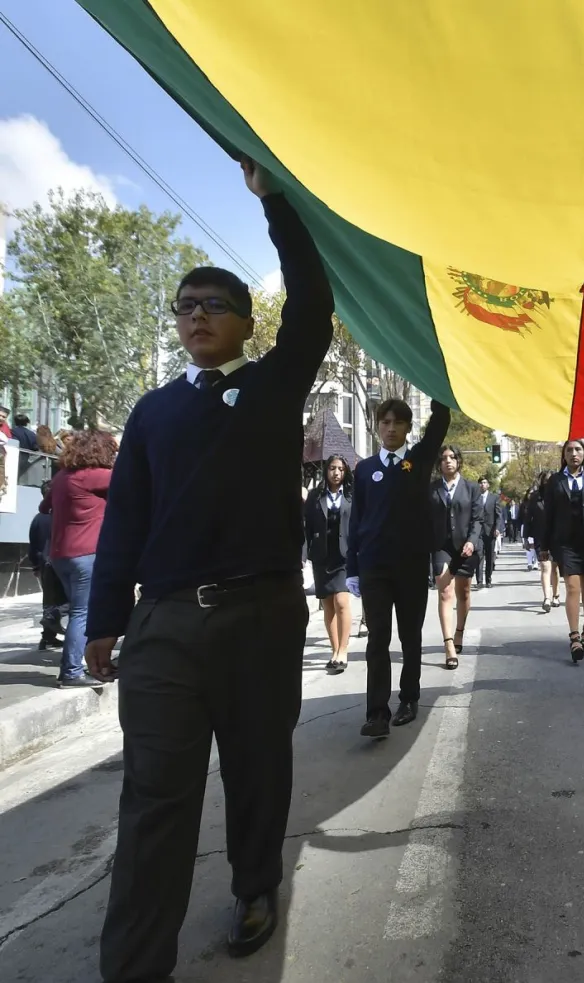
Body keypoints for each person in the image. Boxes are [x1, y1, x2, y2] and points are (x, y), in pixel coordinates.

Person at [84, 159, 335, 981]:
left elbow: (315, 309)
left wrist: (277, 205)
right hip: (164, 633)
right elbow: (124, 520)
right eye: (184, 306)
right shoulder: (153, 411)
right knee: (155, 798)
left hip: (260, 621)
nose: (195, 316)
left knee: (259, 771)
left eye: (212, 304)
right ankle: (133, 963)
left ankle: (256, 884)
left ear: (244, 322)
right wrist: (104, 621)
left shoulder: (272, 387)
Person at [347, 397, 450, 738]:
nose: (391, 429)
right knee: (378, 638)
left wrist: (437, 387)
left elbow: (439, 426)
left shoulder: (418, 462)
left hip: (411, 566)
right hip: (374, 567)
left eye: (398, 423)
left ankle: (409, 698)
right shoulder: (363, 470)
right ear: (377, 427)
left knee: (410, 637)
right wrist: (352, 568)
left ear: (408, 428)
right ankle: (377, 712)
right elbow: (356, 521)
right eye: (385, 422)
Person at [42, 430, 116, 687]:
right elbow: (133, 478)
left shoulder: (62, 477)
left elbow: (44, 507)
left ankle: (81, 664)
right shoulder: (96, 476)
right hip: (86, 553)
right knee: (82, 613)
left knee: (77, 611)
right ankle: (71, 672)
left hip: (60, 555)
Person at [542, 441, 584, 662]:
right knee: (572, 587)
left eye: (578, 449)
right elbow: (548, 513)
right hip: (565, 542)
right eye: (569, 450)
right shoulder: (555, 480)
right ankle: (574, 636)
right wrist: (543, 545)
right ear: (564, 454)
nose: (574, 454)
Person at [431, 445, 482, 669]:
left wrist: (472, 540)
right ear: (439, 463)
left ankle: (459, 631)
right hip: (441, 547)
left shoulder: (471, 488)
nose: (448, 461)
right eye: (443, 458)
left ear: (459, 461)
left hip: (465, 547)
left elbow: (478, 519)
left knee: (464, 592)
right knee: (445, 593)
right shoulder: (431, 489)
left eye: (452, 457)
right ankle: (449, 644)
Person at [304, 455, 353, 673]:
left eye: (340, 469)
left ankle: (343, 651)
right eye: (332, 468)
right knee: (328, 605)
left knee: (342, 601)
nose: (336, 473)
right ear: (326, 471)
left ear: (345, 472)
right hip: (322, 556)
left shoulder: (352, 496)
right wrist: (303, 555)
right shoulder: (315, 496)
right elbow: (305, 527)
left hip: (344, 556)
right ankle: (334, 651)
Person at [28, 480, 67, 651]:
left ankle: (47, 637)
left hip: (44, 563)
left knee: (49, 601)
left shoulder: (38, 518)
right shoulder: (59, 515)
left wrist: (35, 566)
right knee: (67, 600)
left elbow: (33, 544)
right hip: (61, 561)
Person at [528, 470, 560, 612]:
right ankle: (547, 597)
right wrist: (527, 537)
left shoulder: (560, 495)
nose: (548, 483)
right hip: (540, 537)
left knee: (555, 568)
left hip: (557, 537)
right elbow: (528, 518)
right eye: (546, 481)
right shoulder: (535, 497)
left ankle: (556, 594)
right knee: (545, 567)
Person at [474, 476, 501, 589]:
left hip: (490, 531)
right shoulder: (475, 498)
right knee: (479, 555)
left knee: (489, 556)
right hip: (478, 532)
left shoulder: (494, 498)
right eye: (480, 483)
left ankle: (488, 579)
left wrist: (497, 528)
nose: (482, 485)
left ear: (488, 485)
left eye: (485, 482)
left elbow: (498, 515)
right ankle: (479, 581)